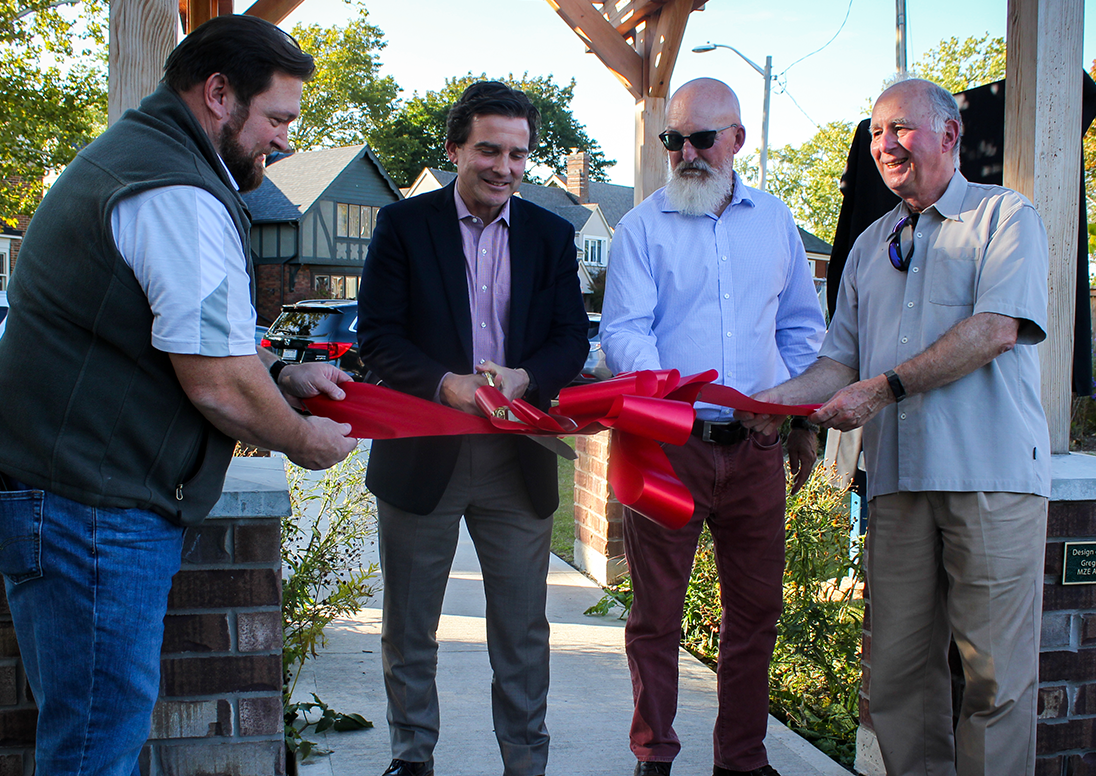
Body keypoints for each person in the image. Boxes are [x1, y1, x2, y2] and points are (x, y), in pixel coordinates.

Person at [0, 15, 357, 775]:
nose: (288, 140)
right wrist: (303, 438)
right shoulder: (176, 192)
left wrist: (283, 375)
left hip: (80, 501)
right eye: (278, 118)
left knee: (93, 728)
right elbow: (218, 383)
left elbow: (177, 338)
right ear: (219, 94)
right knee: (95, 743)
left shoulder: (148, 162)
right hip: (93, 511)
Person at [739, 78, 1050, 776]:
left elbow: (997, 329)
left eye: (902, 129)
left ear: (949, 136)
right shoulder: (872, 243)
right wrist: (778, 404)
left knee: (996, 681)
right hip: (898, 482)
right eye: (877, 132)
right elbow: (834, 362)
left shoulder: (1007, 217)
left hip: (990, 480)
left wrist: (883, 389)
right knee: (898, 681)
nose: (885, 144)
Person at [356, 81, 588, 776]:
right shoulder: (404, 225)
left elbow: (569, 340)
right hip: (422, 451)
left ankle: (526, 762)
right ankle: (412, 756)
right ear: (455, 147)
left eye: (519, 155)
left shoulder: (552, 235)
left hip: (516, 457)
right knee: (410, 625)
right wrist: (445, 383)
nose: (505, 168)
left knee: (521, 629)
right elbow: (378, 337)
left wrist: (524, 378)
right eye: (489, 150)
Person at [600, 78, 826, 776]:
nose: (687, 153)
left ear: (737, 142)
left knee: (755, 615)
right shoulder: (641, 226)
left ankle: (741, 760)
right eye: (675, 139)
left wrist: (791, 410)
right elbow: (624, 332)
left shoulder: (776, 221)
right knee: (655, 617)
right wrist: (669, 401)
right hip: (670, 448)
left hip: (756, 450)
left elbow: (800, 328)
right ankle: (654, 756)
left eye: (702, 139)